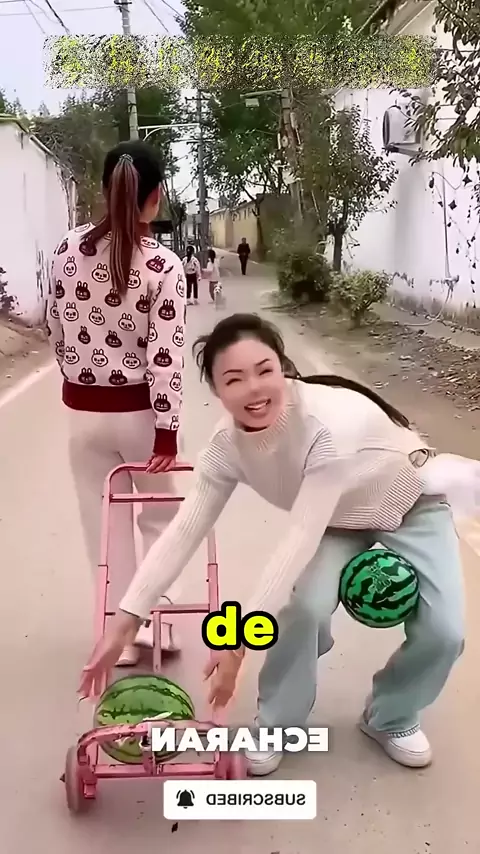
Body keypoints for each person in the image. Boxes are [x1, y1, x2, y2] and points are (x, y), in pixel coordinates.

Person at [79, 313, 466, 777]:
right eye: (234, 379)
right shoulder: (225, 447)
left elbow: (299, 537)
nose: (254, 389)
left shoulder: (327, 426)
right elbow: (184, 531)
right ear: (216, 390)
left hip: (412, 503)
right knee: (304, 609)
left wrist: (236, 645)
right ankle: (279, 723)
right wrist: (126, 620)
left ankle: (392, 716)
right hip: (336, 522)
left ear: (283, 367)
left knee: (446, 632)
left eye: (264, 370)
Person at [47, 140, 187, 667]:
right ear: (156, 196)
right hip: (142, 416)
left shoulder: (67, 250)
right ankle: (159, 625)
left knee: (103, 522)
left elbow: (55, 328)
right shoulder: (163, 265)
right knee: (158, 518)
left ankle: (119, 637)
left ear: (106, 191)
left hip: (83, 412)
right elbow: (166, 357)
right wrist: (167, 431)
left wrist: (76, 376)